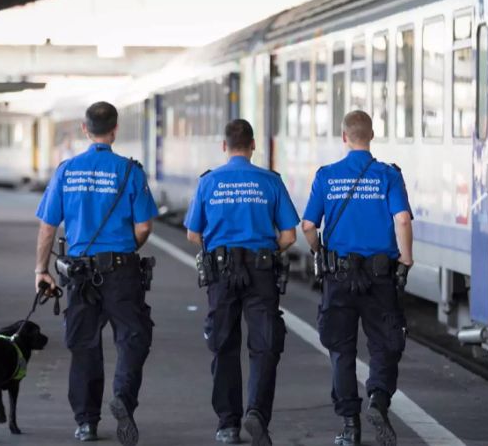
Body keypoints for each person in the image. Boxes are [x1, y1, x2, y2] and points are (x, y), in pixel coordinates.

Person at [35, 101, 158, 446]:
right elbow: (145, 225)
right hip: (121, 271)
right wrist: (125, 247)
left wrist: (40, 270)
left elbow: (47, 227)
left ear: (85, 130)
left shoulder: (67, 170)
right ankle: (123, 397)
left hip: (78, 274)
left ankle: (86, 423)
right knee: (133, 337)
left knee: (84, 345)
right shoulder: (130, 171)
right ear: (115, 130)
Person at [302, 110, 414, 446]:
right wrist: (405, 260)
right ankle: (378, 399)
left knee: (342, 349)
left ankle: (350, 425)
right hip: (380, 276)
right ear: (372, 135)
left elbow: (308, 226)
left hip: (339, 277)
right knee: (384, 344)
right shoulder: (388, 175)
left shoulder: (327, 176)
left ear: (344, 137)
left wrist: (318, 251)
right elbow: (403, 220)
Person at [184, 119, 299, 446]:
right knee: (264, 344)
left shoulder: (209, 182)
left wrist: (220, 247)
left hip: (221, 274)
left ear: (224, 146)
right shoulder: (269, 181)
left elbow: (193, 233)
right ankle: (258, 414)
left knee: (223, 345)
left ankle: (227, 425)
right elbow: (289, 235)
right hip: (262, 273)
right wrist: (264, 251)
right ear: (253, 146)